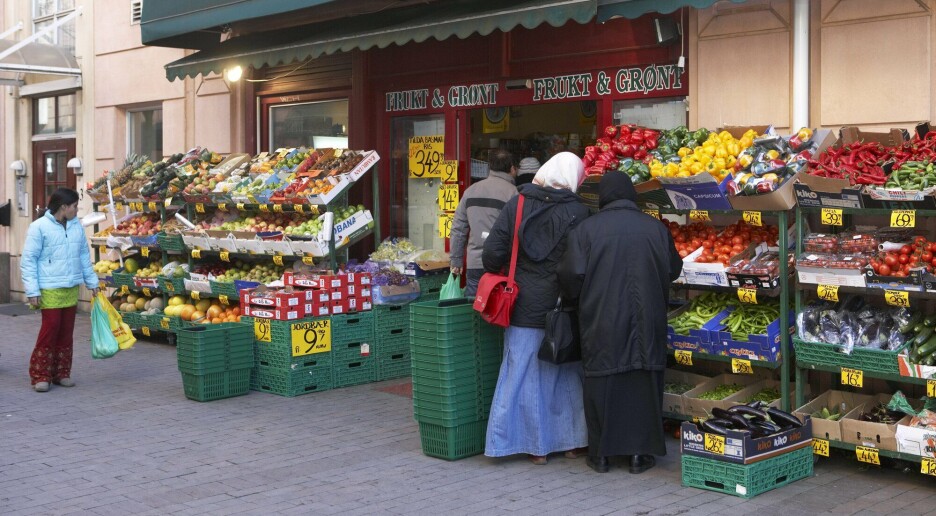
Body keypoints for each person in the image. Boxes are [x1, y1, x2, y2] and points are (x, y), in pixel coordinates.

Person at [557, 172, 682, 474]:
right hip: (646, 321)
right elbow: (674, 269)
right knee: (642, 384)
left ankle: (601, 454)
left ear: (603, 197)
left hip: (601, 321)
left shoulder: (585, 230)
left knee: (602, 384)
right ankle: (641, 454)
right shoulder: (655, 229)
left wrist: (580, 300)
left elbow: (570, 277)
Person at [481, 151, 591, 465]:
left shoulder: (516, 205)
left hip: (521, 305)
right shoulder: (580, 212)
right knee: (565, 374)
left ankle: (527, 446)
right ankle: (572, 442)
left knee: (519, 375)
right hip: (562, 308)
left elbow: (491, 256)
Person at [21, 188, 100, 392]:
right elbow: (28, 260)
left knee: (66, 332)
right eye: (74, 206)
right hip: (48, 287)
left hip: (70, 287)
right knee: (50, 330)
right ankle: (40, 375)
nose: (76, 209)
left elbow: (84, 256)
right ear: (63, 207)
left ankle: (62, 373)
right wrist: (32, 291)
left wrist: (93, 283)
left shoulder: (76, 227)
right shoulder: (38, 227)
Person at [450, 149, 518, 297]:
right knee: (498, 310)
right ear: (511, 168)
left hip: (475, 263)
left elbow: (458, 228)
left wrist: (456, 260)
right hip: (501, 264)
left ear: (490, 167)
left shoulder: (470, 191)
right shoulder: (513, 194)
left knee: (474, 308)